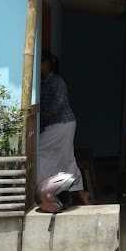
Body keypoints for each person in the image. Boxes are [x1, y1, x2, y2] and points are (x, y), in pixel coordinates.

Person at [38, 51, 89, 205]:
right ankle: (77, 192)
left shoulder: (57, 82)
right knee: (65, 159)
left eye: (41, 63)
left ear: (47, 64)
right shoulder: (44, 82)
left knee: (41, 153)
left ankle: (52, 191)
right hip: (55, 125)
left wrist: (42, 117)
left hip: (61, 124)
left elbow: (56, 107)